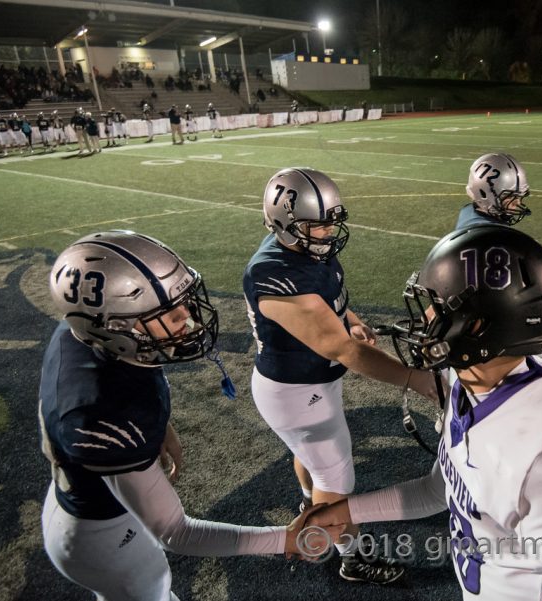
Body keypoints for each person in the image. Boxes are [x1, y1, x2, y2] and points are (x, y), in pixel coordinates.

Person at [304, 225, 542, 600]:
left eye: (435, 305)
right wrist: (349, 510)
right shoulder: (468, 383)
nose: (423, 318)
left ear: (477, 325)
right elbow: (441, 490)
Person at [40, 230, 341, 601]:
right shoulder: (102, 412)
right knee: (152, 589)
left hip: (95, 501)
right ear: (117, 327)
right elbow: (175, 533)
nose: (187, 317)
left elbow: (133, 364)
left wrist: (161, 427)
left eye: (182, 300)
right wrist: (284, 539)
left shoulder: (89, 333)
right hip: (103, 536)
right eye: (166, 311)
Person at [243, 168, 439, 584]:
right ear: (284, 223)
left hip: (304, 383)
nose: (328, 231)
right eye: (317, 224)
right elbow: (344, 350)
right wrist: (418, 380)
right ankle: (351, 555)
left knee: (313, 459)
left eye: (332, 220)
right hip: (297, 391)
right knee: (337, 479)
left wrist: (350, 319)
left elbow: (330, 304)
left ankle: (309, 500)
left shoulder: (305, 247)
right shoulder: (276, 273)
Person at [454, 153, 531, 229]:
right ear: (484, 194)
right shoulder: (493, 234)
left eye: (518, 196)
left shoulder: (467, 211)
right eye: (510, 196)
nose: (517, 203)